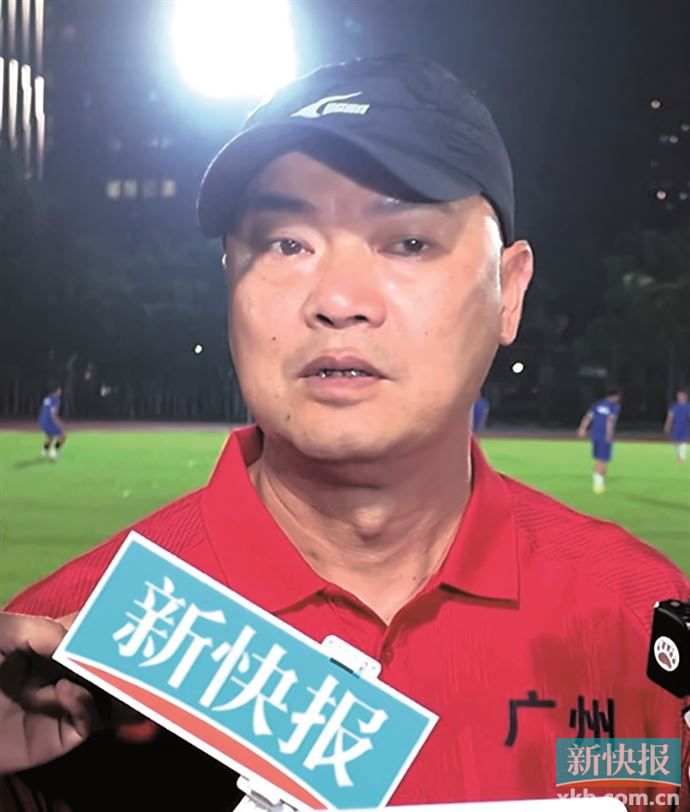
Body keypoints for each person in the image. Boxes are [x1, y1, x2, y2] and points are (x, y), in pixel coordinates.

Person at [3, 56, 688, 810]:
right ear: (228, 280)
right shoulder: (60, 653)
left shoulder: (645, 627)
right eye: (285, 243)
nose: (337, 299)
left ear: (509, 292)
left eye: (409, 243)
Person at [577, 387, 622, 494]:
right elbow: (610, 421)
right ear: (615, 396)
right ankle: (598, 483)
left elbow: (588, 417)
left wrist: (582, 429)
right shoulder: (614, 406)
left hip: (595, 435)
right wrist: (609, 434)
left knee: (598, 458)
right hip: (604, 436)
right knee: (603, 459)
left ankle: (598, 480)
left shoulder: (597, 404)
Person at [38, 384, 66, 460]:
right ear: (56, 391)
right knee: (63, 435)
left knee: (50, 437)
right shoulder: (55, 400)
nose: (61, 392)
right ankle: (54, 451)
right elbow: (53, 413)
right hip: (49, 421)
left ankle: (45, 452)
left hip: (42, 420)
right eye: (60, 390)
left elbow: (44, 409)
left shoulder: (47, 398)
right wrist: (59, 423)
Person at [664, 388, 690, 463]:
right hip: (676, 427)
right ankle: (679, 456)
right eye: (678, 396)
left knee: (683, 442)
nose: (679, 397)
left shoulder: (688, 407)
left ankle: (682, 458)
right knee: (675, 443)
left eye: (681, 395)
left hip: (685, 427)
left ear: (685, 396)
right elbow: (670, 417)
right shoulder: (674, 406)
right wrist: (667, 426)